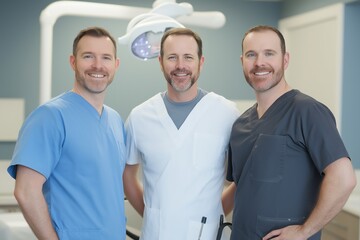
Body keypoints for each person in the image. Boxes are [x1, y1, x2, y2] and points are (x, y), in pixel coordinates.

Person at [227, 25, 357, 240]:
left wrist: (304, 231)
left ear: (285, 60)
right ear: (242, 61)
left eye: (269, 53)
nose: (260, 62)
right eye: (251, 54)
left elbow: (344, 179)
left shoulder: (308, 111)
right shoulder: (241, 124)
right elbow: (240, 184)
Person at [7, 26, 126, 240]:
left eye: (106, 58)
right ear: (73, 62)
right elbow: (26, 191)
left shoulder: (115, 120)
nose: (98, 65)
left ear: (116, 65)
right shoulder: (49, 117)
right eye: (88, 56)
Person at [123, 27, 240, 240]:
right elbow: (127, 175)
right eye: (172, 57)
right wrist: (153, 216)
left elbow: (241, 179)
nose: (180, 66)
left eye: (188, 57)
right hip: (156, 234)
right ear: (160, 62)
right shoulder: (140, 117)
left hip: (207, 233)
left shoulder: (226, 113)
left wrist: (213, 214)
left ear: (200, 62)